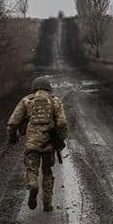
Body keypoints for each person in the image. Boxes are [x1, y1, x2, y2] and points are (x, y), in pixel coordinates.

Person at [7, 75, 68, 211]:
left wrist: (12, 138)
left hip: (32, 143)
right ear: (48, 88)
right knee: (47, 171)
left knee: (31, 169)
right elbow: (62, 122)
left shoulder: (26, 101)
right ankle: (47, 204)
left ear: (33, 88)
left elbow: (12, 123)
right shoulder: (54, 100)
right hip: (49, 144)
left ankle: (33, 184)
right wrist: (61, 138)